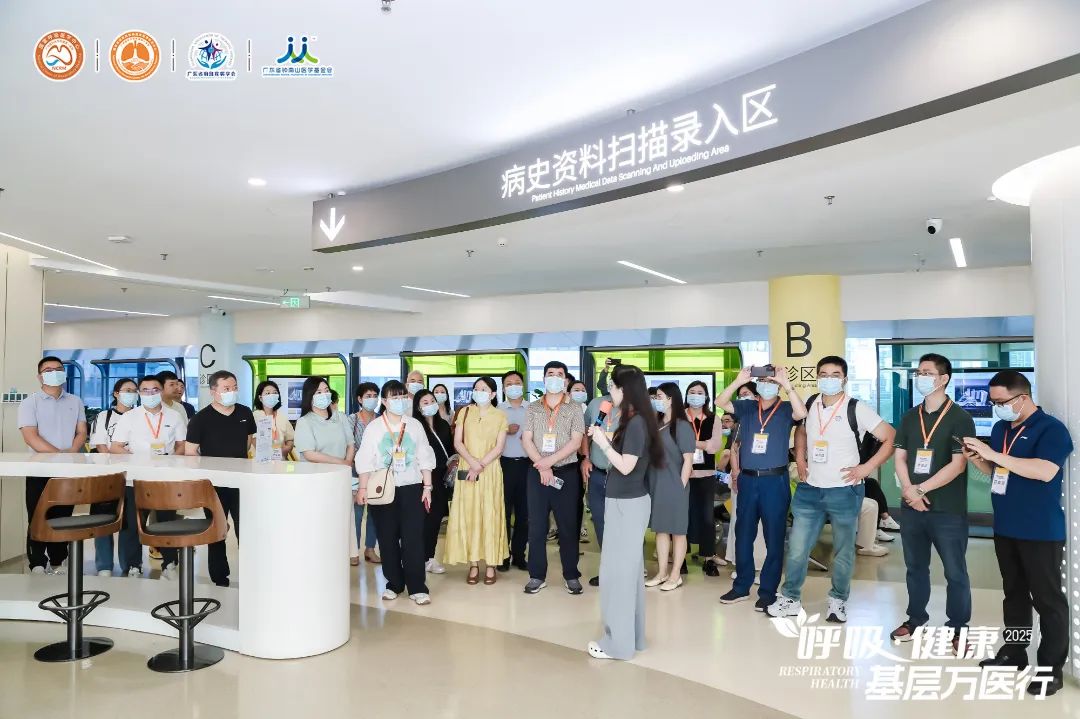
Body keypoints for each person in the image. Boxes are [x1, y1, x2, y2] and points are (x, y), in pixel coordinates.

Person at [963, 370, 1073, 697]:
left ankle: (1050, 668)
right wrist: (979, 459)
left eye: (1001, 401)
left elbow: (1044, 471)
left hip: (1040, 531)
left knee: (1047, 600)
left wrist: (994, 455)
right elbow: (999, 470)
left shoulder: (1051, 429)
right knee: (1014, 595)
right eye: (993, 402)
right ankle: (1014, 653)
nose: (997, 407)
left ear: (1022, 397)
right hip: (1006, 526)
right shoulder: (1001, 429)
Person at [767, 356, 895, 622]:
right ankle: (790, 598)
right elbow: (801, 431)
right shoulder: (811, 403)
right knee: (798, 549)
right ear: (817, 377)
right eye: (823, 374)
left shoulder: (857, 408)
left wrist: (866, 468)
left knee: (843, 551)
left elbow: (890, 437)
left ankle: (838, 600)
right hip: (809, 490)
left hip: (845, 491)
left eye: (835, 375)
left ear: (844, 379)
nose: (829, 379)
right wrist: (800, 458)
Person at [887, 354, 975, 650]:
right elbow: (900, 457)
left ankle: (959, 627)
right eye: (918, 372)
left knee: (955, 572)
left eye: (927, 372)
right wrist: (909, 491)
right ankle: (915, 619)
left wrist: (920, 489)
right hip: (912, 508)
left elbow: (958, 465)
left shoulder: (960, 418)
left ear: (943, 378)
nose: (920, 377)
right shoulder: (910, 416)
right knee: (915, 567)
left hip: (947, 510)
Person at [585, 364, 664, 660]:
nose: (610, 393)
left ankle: (618, 645)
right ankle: (631, 638)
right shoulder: (633, 419)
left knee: (617, 575)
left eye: (612, 387)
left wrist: (602, 443)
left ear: (624, 389)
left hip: (627, 504)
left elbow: (626, 466)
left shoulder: (636, 423)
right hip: (625, 501)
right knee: (626, 574)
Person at [717, 365, 807, 608]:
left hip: (775, 480)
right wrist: (739, 381)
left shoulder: (786, 408)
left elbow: (801, 413)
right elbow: (720, 401)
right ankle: (741, 586)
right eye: (764, 381)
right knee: (743, 534)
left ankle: (768, 590)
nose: (767, 385)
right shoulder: (747, 407)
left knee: (774, 536)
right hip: (747, 479)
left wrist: (786, 384)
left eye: (772, 381)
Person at [355, 380, 437, 606]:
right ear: (384, 401)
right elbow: (365, 460)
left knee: (413, 539)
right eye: (394, 397)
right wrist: (362, 488)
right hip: (383, 490)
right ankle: (394, 583)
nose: (400, 401)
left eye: (403, 397)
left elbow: (424, 456)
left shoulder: (414, 425)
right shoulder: (374, 427)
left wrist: (427, 487)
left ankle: (417, 587)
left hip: (412, 487)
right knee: (387, 538)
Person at [110, 374, 187, 579]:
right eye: (145, 390)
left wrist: (172, 460)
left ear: (161, 392)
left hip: (165, 478)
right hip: (135, 478)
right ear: (139, 393)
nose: (150, 394)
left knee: (166, 522)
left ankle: (169, 564)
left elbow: (182, 445)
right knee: (132, 524)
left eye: (155, 390)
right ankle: (133, 565)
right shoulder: (129, 417)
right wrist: (135, 460)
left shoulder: (174, 416)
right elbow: (115, 447)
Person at [185, 370, 255, 588]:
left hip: (242, 482)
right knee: (217, 531)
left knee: (248, 529)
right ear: (213, 391)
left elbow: (248, 441)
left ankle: (252, 574)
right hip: (213, 485)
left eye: (234, 388)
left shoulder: (244, 412)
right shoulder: (200, 419)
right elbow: (190, 452)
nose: (231, 392)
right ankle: (219, 577)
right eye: (226, 388)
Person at [521, 361, 586, 595]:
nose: (555, 378)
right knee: (537, 526)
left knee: (568, 526)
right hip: (537, 473)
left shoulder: (574, 408)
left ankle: (571, 575)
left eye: (560, 374)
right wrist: (542, 465)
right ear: (544, 378)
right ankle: (537, 575)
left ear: (566, 380)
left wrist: (548, 462)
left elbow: (576, 442)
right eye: (551, 374)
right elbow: (526, 439)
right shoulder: (533, 408)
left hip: (566, 473)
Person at [18, 356, 87, 575]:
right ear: (40, 376)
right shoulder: (30, 402)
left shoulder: (75, 401)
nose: (54, 372)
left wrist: (71, 454)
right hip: (39, 468)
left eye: (58, 369)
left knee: (63, 516)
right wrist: (59, 455)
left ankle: (59, 559)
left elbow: (81, 432)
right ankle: (37, 562)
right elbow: (30, 436)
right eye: (48, 370)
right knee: (38, 516)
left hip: (68, 470)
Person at [443, 377, 509, 584]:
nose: (479, 391)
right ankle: (473, 564)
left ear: (493, 394)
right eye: (476, 388)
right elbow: (457, 442)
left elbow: (499, 447)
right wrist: (472, 463)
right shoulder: (465, 412)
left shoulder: (500, 416)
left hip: (490, 470)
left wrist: (480, 465)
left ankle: (491, 564)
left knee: (490, 514)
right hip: (468, 468)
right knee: (469, 514)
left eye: (484, 389)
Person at [294, 377, 356, 563]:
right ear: (310, 396)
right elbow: (309, 454)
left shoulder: (340, 417)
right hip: (316, 482)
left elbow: (350, 443)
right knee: (320, 522)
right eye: (319, 392)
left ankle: (341, 558)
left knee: (341, 521)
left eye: (326, 390)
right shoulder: (305, 422)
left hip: (341, 479)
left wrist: (347, 462)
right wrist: (341, 462)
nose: (324, 394)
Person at [646, 382, 695, 591]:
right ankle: (662, 572)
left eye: (659, 396)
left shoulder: (682, 426)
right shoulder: (656, 424)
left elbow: (688, 460)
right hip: (656, 484)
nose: (656, 400)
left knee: (678, 532)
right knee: (660, 530)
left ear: (671, 399)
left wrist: (680, 487)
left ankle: (676, 575)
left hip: (675, 485)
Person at [89, 378, 139, 577]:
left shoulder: (140, 416)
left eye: (134, 390)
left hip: (133, 476)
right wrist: (116, 460)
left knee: (131, 522)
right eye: (127, 390)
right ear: (116, 393)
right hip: (107, 476)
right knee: (103, 520)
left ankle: (132, 564)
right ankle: (104, 565)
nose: (131, 394)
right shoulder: (104, 416)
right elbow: (101, 446)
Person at [582, 361, 620, 586]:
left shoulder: (635, 409)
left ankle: (629, 568)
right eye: (611, 382)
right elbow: (585, 434)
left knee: (623, 523)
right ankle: (608, 569)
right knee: (600, 522)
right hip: (597, 473)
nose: (612, 386)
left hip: (623, 476)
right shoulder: (596, 404)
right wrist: (586, 458)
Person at [685, 380, 726, 570]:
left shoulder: (713, 418)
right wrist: (703, 444)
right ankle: (681, 557)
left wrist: (691, 442)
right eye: (692, 392)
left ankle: (708, 557)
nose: (695, 395)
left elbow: (714, 446)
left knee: (707, 516)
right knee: (683, 516)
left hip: (706, 473)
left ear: (707, 397)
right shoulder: (679, 417)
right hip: (682, 473)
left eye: (700, 392)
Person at [414, 389, 453, 574]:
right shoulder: (415, 426)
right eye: (425, 402)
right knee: (421, 519)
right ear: (418, 407)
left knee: (436, 519)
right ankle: (417, 558)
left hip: (441, 478)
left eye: (432, 401)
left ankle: (429, 558)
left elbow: (451, 450)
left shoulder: (443, 424)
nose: (430, 405)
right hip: (421, 478)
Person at [498, 370, 530, 572]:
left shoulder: (533, 409)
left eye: (517, 382)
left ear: (523, 385)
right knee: (503, 512)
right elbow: (489, 438)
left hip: (527, 465)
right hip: (504, 465)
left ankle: (519, 554)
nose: (513, 386)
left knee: (524, 513)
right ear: (503, 388)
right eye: (509, 384)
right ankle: (503, 555)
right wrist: (505, 431)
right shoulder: (498, 410)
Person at [349, 382, 381, 564]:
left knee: (375, 512)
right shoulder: (351, 420)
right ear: (360, 399)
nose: (372, 399)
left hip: (376, 472)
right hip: (356, 471)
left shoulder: (381, 420)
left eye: (375, 395)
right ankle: (353, 551)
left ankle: (370, 548)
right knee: (357, 512)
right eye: (368, 396)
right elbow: (348, 445)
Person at [568, 379, 590, 543]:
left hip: (581, 458)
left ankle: (578, 529)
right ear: (568, 393)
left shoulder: (587, 410)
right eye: (576, 390)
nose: (580, 393)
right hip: (565, 459)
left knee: (578, 497)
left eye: (583, 390)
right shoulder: (563, 410)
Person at [253, 380, 295, 461]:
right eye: (268, 393)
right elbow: (253, 440)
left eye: (275, 393)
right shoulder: (255, 416)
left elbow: (290, 439)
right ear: (260, 398)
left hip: (281, 461)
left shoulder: (282, 417)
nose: (272, 395)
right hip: (261, 461)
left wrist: (287, 448)